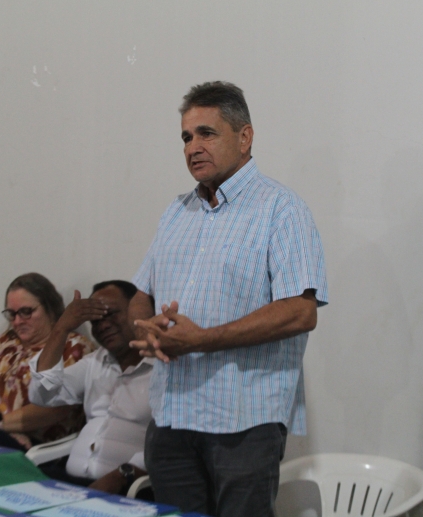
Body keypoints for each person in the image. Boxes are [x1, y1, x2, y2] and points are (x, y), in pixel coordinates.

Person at [130, 81, 328, 517]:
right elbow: (141, 294)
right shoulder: (176, 211)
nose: (193, 147)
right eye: (186, 137)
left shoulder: (282, 210)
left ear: (244, 137)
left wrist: (202, 340)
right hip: (171, 417)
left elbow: (300, 312)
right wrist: (145, 329)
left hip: (243, 423)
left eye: (206, 133)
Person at [29, 280, 154, 495]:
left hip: (130, 489)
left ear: (139, 312)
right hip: (71, 481)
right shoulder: (94, 362)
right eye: (95, 320)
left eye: (111, 314)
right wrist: (61, 329)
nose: (103, 325)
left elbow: (171, 444)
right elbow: (43, 394)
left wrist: (123, 474)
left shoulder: (165, 368)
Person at [0, 273, 95, 451]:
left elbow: (53, 409)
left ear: (50, 309)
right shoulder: (6, 342)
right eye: (11, 314)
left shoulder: (73, 347)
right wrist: (1, 427)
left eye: (26, 312)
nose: (17, 321)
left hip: (38, 447)